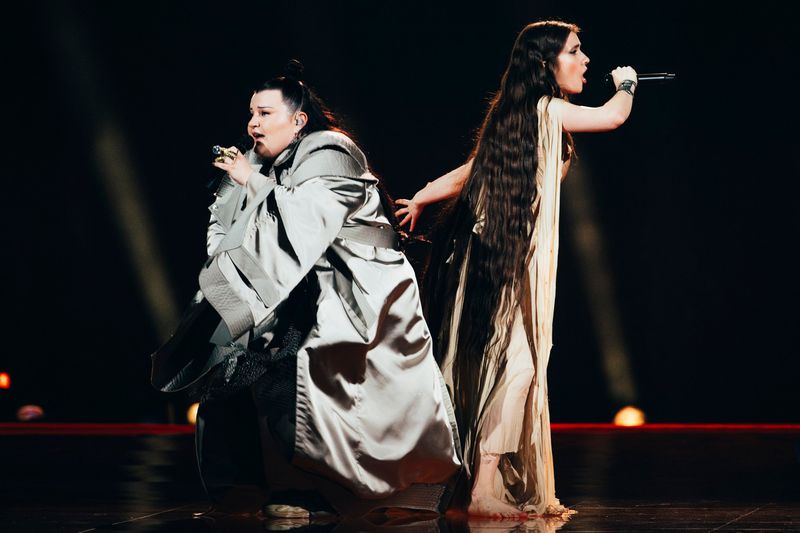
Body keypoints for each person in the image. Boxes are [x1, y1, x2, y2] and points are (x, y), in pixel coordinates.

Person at [151, 61, 460, 518]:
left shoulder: (331, 149)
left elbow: (306, 221)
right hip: (292, 288)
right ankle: (243, 491)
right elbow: (224, 225)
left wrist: (250, 181)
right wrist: (236, 199)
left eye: (265, 114)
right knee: (232, 369)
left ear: (298, 120)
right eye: (251, 114)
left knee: (299, 373)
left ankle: (319, 490)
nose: (253, 124)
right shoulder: (258, 161)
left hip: (355, 288)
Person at [395, 21, 637, 518]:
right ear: (546, 64)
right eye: (575, 51)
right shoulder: (546, 110)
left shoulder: (518, 113)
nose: (586, 60)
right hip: (501, 263)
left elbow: (473, 169)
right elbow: (613, 117)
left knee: (506, 368)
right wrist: (627, 83)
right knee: (516, 368)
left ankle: (475, 486)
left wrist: (423, 195)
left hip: (496, 259)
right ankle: (481, 491)